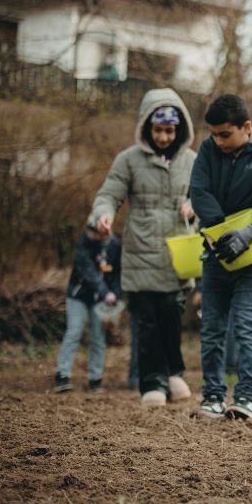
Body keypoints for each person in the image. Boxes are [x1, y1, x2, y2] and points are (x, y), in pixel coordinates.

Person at [91, 88, 196, 406]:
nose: (163, 137)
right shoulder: (128, 160)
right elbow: (109, 194)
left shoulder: (192, 161)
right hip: (141, 252)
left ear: (179, 130)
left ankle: (173, 373)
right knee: (147, 322)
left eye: (169, 131)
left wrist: (195, 207)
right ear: (146, 127)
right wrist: (104, 214)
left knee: (172, 316)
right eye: (158, 129)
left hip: (178, 255)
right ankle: (153, 383)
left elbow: (207, 197)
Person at [190, 94, 252, 420]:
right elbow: (199, 191)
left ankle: (247, 398)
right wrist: (221, 231)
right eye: (214, 134)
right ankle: (213, 396)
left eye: (225, 134)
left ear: (246, 127)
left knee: (247, 326)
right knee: (212, 329)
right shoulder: (208, 150)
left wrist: (249, 233)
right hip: (214, 255)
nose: (218, 141)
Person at [53, 222, 121, 393]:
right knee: (74, 331)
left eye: (96, 232)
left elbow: (116, 272)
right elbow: (90, 273)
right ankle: (62, 375)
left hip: (101, 299)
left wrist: (115, 294)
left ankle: (95, 379)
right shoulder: (83, 245)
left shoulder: (114, 245)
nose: (92, 235)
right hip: (78, 296)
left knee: (98, 337)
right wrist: (106, 292)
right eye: (91, 231)